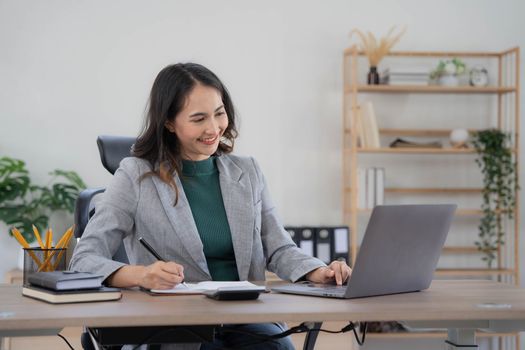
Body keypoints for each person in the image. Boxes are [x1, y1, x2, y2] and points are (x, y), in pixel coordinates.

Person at [70, 62, 352, 350]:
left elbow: (279, 248)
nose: (213, 128)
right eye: (198, 118)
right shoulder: (136, 175)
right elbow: (84, 260)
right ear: (169, 122)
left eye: (219, 114)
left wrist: (320, 272)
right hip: (175, 324)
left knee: (275, 347)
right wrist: (142, 275)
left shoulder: (248, 172)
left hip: (245, 318)